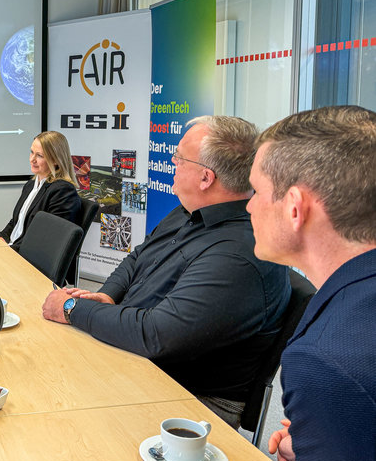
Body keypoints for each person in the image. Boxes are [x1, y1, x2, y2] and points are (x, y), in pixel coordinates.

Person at [41, 116, 290, 427]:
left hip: (187, 397)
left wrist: (71, 308)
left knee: (56, 410)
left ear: (206, 178)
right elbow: (137, 257)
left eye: (180, 157)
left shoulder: (239, 255)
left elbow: (156, 335)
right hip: (139, 354)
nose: (172, 162)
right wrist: (108, 295)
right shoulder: (188, 211)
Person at [249, 106, 376, 461]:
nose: (248, 207)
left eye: (256, 192)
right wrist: (328, 447)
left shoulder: (324, 360)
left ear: (294, 207)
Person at [0, 131, 81, 251]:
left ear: (56, 160)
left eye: (40, 156)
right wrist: (0, 238)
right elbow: (16, 222)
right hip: (13, 248)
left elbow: (47, 240)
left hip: (27, 256)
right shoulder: (30, 185)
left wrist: (7, 250)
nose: (32, 159)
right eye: (32, 152)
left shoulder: (63, 191)